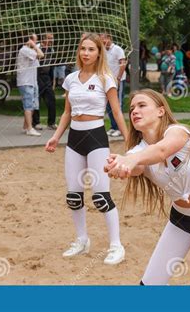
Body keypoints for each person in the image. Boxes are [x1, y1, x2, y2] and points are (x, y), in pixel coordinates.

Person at [104, 89, 190, 285]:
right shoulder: (137, 152)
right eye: (131, 109)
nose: (134, 111)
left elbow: (162, 150)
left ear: (161, 111)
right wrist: (119, 166)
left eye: (141, 105)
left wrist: (129, 160)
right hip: (181, 221)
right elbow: (136, 166)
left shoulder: (179, 131)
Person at [45, 33, 128, 265]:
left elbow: (117, 111)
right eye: (83, 49)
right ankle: (82, 240)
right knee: (74, 195)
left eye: (91, 49)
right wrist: (55, 137)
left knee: (101, 196)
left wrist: (129, 139)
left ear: (99, 53)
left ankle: (116, 246)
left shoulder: (106, 78)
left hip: (96, 137)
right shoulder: (71, 79)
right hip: (75, 138)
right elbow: (66, 113)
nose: (86, 53)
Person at [16, 33, 44, 136]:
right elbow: (41, 55)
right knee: (28, 105)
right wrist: (35, 46)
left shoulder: (30, 51)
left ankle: (26, 126)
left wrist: (34, 47)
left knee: (32, 106)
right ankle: (29, 128)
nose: (36, 42)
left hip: (32, 81)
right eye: (34, 40)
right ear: (29, 40)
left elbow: (37, 62)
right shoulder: (24, 50)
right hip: (25, 82)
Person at [101, 33, 127, 138]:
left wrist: (119, 78)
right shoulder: (102, 50)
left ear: (109, 38)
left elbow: (123, 64)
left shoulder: (117, 49)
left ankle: (119, 129)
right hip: (107, 81)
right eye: (100, 40)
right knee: (108, 106)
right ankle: (113, 127)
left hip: (117, 80)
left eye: (104, 39)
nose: (102, 41)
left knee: (117, 104)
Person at [33, 33, 57, 130]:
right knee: (36, 100)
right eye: (49, 38)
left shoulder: (52, 50)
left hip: (47, 77)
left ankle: (51, 123)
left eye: (52, 38)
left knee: (51, 100)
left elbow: (52, 66)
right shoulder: (36, 48)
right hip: (37, 76)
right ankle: (36, 122)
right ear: (43, 39)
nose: (51, 40)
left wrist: (53, 80)